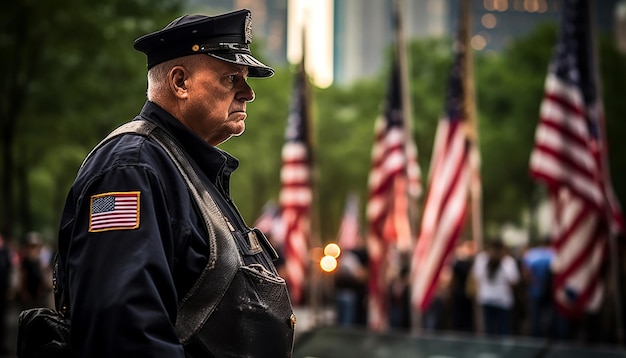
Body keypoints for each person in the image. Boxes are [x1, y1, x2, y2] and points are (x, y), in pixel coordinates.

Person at [54, 9, 294, 358]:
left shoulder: (180, 167)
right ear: (180, 82)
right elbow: (125, 334)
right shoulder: (131, 170)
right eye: (231, 78)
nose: (248, 93)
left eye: (246, 79)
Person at [472, 239, 520, 336]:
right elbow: (514, 282)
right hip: (495, 299)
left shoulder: (507, 262)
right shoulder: (483, 260)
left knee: (496, 329)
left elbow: (476, 277)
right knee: (497, 329)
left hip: (497, 299)